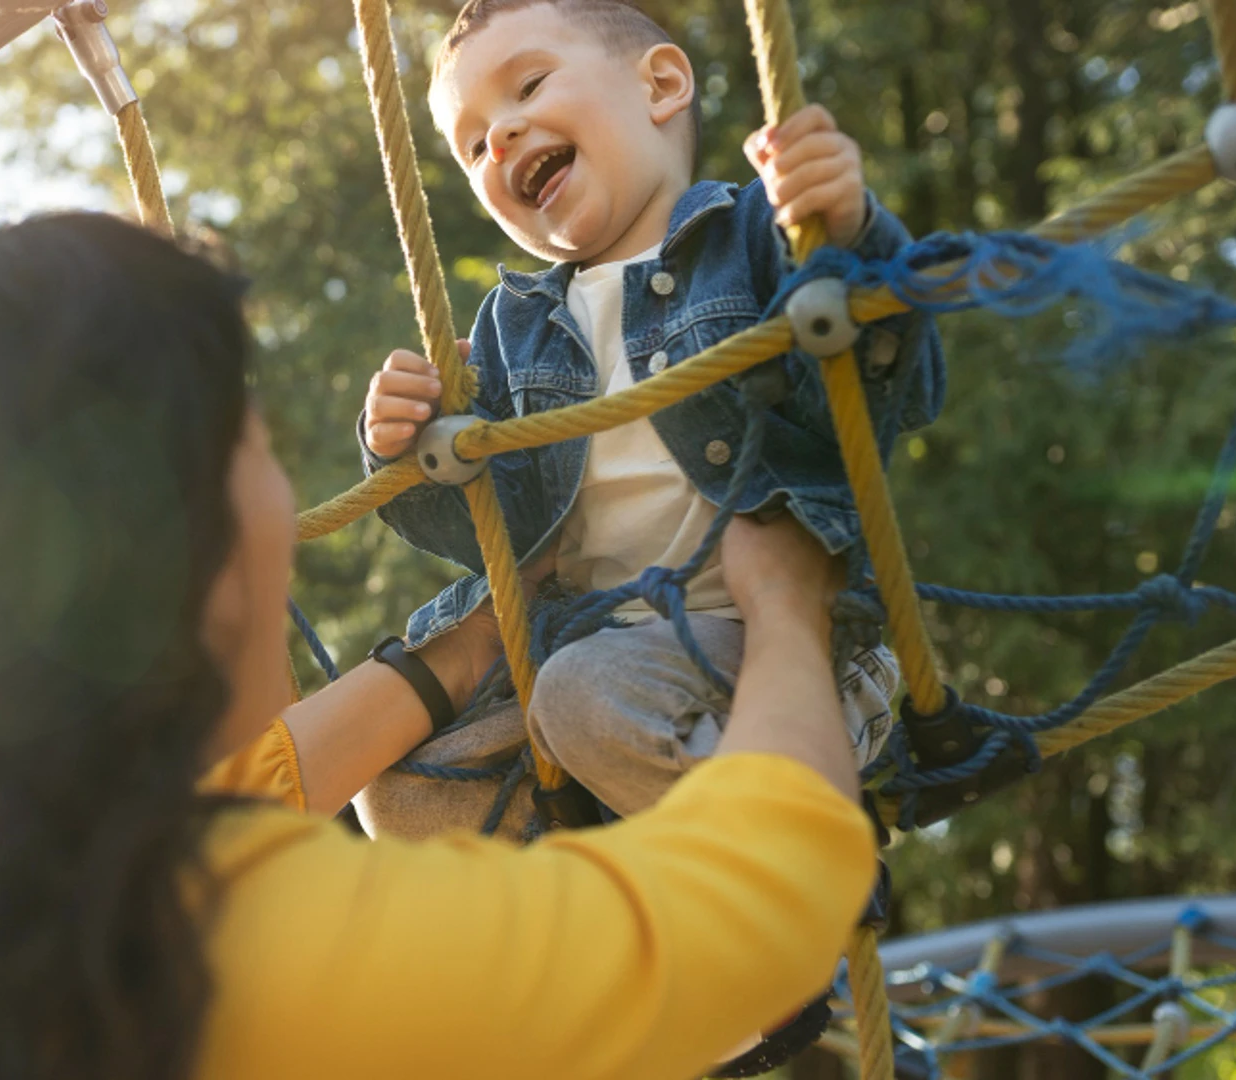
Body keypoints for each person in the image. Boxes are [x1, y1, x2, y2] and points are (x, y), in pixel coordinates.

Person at [0, 213, 877, 1080]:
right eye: (256, 450)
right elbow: (756, 908)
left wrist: (460, 659)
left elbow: (254, 778)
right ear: (170, 562)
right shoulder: (208, 956)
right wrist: (791, 611)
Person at [357, 0, 944, 828]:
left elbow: (891, 389)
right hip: (599, 653)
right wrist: (408, 449)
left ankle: (787, 863)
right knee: (398, 793)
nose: (504, 140)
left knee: (583, 696)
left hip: (779, 637)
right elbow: (496, 535)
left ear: (662, 85)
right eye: (475, 145)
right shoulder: (510, 326)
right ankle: (638, 906)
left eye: (527, 86)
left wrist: (847, 233)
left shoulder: (752, 236)